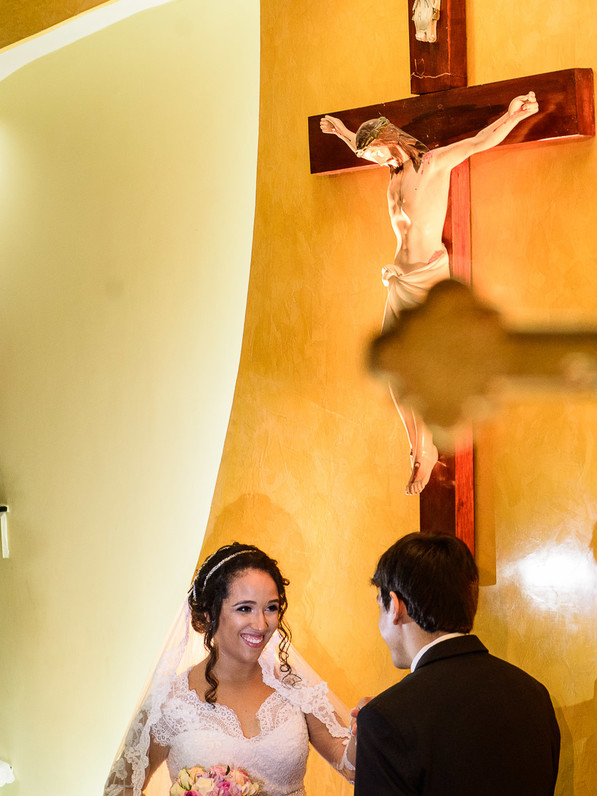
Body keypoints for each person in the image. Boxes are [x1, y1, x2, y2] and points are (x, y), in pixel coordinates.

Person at [320, 93, 539, 495]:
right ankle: (418, 447)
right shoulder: (392, 171)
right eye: (373, 155)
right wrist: (341, 131)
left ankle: (430, 444)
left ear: (393, 140)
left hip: (428, 279)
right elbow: (359, 147)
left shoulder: (435, 164)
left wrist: (512, 113)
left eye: (380, 151)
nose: (376, 159)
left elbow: (479, 141)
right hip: (400, 281)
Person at [105, 543, 356, 795]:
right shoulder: (170, 702)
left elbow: (351, 768)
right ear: (208, 614)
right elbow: (120, 786)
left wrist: (361, 730)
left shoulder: (294, 686)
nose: (261, 624)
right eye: (244, 608)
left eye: (271, 608)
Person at [354, 533, 560, 795]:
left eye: (379, 606)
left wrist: (381, 719)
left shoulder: (386, 721)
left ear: (395, 606)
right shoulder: (534, 694)